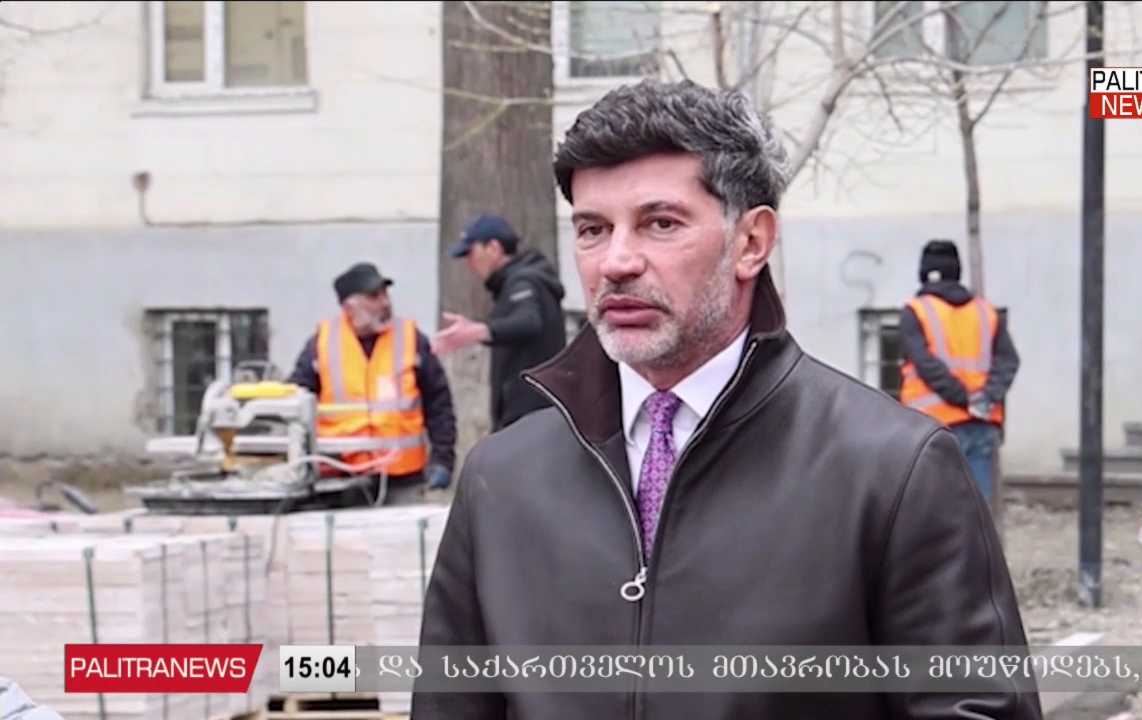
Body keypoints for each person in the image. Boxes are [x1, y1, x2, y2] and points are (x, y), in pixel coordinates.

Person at [414, 80, 1041, 719]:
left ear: (751, 243)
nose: (617, 262)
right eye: (593, 229)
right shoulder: (502, 478)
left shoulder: (892, 469)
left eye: (660, 223)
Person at [287, 262, 456, 504]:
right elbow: (296, 402)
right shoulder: (322, 344)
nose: (385, 303)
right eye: (374, 297)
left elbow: (439, 402)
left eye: (385, 294)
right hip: (339, 481)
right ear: (349, 307)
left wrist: (442, 459)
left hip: (403, 480)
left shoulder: (411, 339)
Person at [898, 239, 1021, 503]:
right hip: (980, 424)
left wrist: (962, 398)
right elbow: (1008, 360)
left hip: (930, 427)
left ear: (924, 273)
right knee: (974, 512)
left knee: (931, 511)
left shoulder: (915, 311)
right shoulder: (985, 312)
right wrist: (984, 398)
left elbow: (926, 365)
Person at [432, 213, 567, 431]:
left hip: (530, 421)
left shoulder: (523, 282)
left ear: (493, 248)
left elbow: (529, 322)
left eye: (471, 253)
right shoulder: (517, 282)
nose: (469, 263)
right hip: (531, 418)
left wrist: (479, 331)